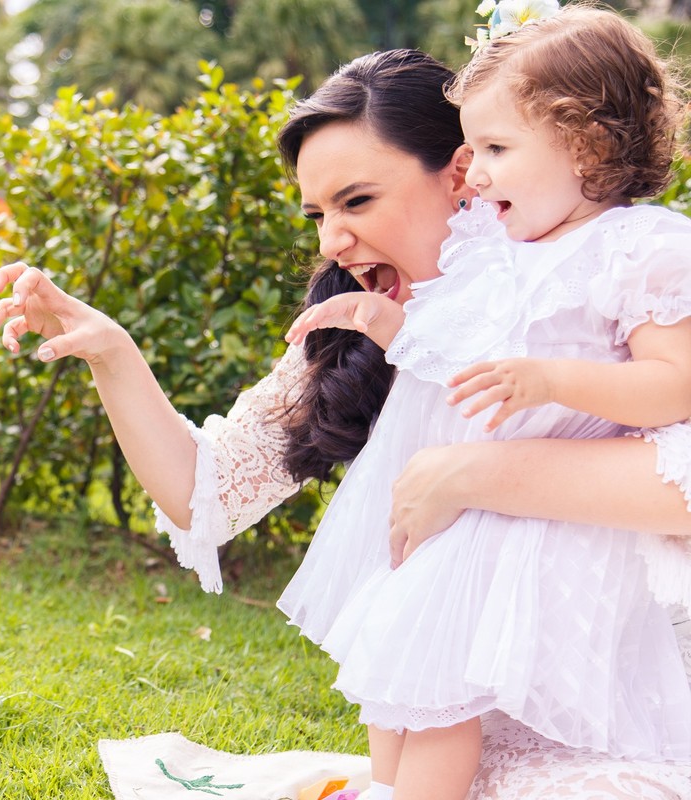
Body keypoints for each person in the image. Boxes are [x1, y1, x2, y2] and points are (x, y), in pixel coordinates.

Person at [0, 47, 691, 800]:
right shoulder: (370, 328)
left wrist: (466, 475)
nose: (331, 242)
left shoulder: (598, 285)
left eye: (357, 202)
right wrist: (112, 353)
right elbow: (207, 490)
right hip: (462, 722)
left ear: (460, 175)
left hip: (620, 702)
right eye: (318, 215)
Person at [280, 5, 691, 799]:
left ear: (587, 146)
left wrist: (553, 381)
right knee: (396, 671)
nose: (477, 173)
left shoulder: (639, 249)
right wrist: (383, 323)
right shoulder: (502, 245)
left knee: (437, 693)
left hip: (544, 523)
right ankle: (390, 786)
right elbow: (460, 350)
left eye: (499, 149)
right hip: (467, 519)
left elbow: (674, 386)